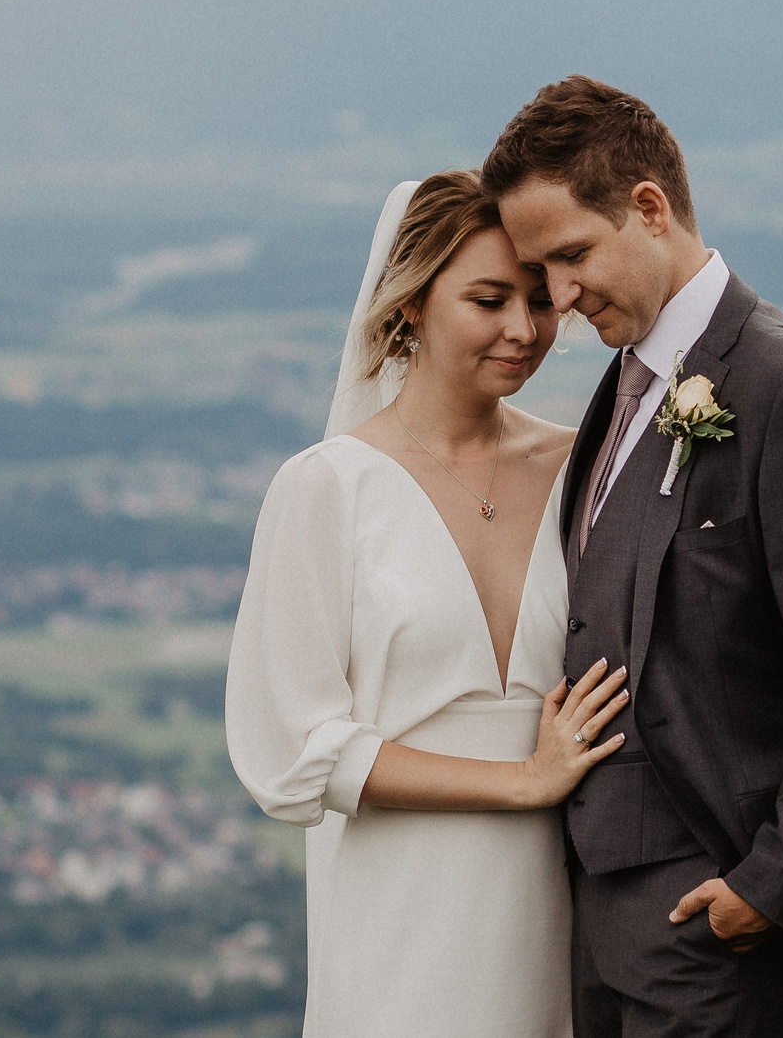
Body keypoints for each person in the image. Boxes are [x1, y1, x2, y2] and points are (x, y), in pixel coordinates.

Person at [486, 77, 783, 1038]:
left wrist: (768, 886)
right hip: (594, 914)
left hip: (710, 915)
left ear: (649, 208)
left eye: (571, 256)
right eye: (541, 270)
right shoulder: (624, 385)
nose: (558, 299)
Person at [226, 169, 631, 1037]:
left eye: (540, 301)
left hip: (564, 919)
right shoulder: (325, 489)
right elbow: (291, 752)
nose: (524, 331)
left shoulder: (584, 467)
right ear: (410, 302)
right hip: (398, 921)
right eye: (488, 299)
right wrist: (522, 781)